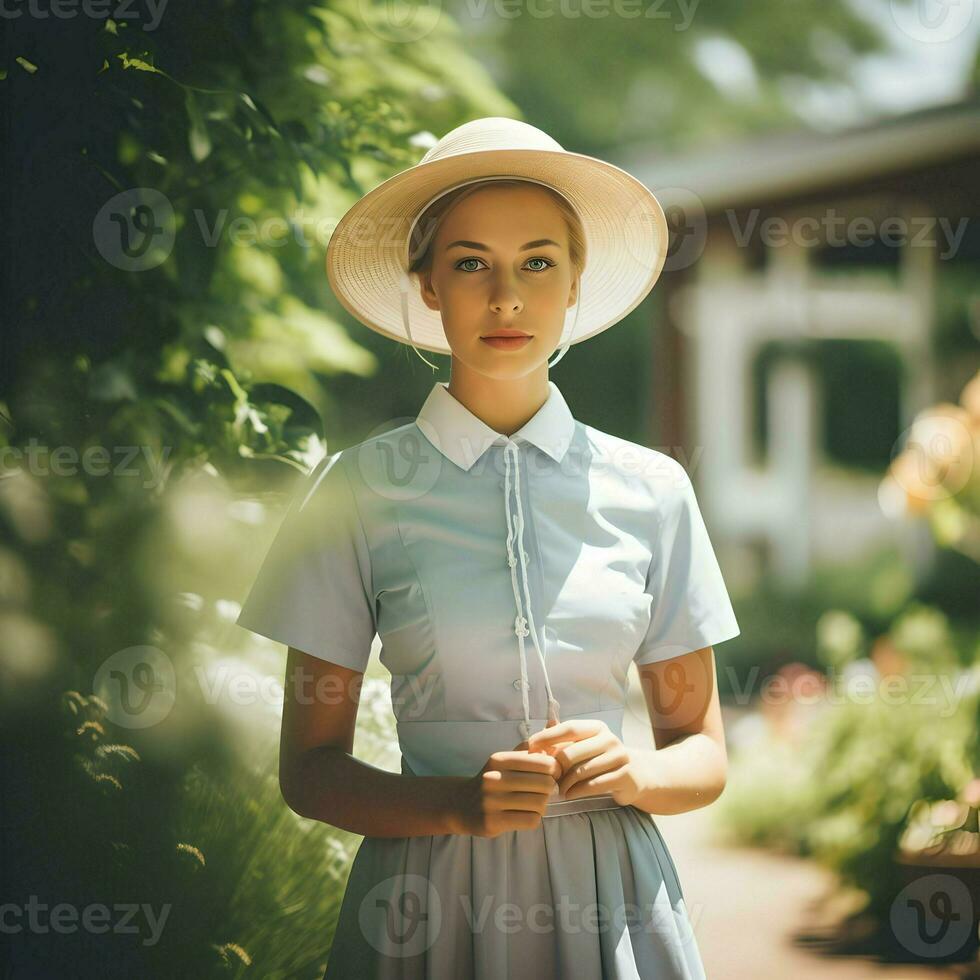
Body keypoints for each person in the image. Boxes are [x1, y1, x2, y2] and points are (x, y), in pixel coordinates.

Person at [236, 117, 741, 979]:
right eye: (471, 263)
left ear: (576, 280)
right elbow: (309, 772)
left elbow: (702, 751)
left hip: (615, 906)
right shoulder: (356, 489)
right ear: (427, 284)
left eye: (538, 263)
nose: (506, 296)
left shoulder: (655, 489)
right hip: (424, 908)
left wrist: (633, 773)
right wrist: (457, 805)